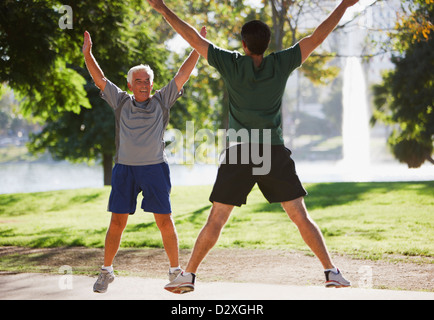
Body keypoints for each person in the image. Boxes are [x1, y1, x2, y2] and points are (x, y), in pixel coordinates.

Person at [147, 0, 357, 294]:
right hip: (272, 151)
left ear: (243, 45)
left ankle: (188, 275)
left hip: (241, 152)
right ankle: (331, 271)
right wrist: (344, 6)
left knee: (217, 218)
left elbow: (194, 38)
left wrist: (164, 10)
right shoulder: (280, 62)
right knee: (299, 214)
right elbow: (317, 37)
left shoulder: (230, 63)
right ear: (267, 44)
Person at [82, 28, 207, 293]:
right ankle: (106, 271)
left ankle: (175, 271)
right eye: (138, 81)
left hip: (154, 169)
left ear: (152, 83)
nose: (143, 85)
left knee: (165, 220)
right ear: (129, 84)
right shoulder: (120, 101)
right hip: (125, 170)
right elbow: (100, 78)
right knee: (117, 222)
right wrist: (87, 54)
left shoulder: (162, 100)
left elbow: (182, 75)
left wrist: (197, 46)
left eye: (147, 81)